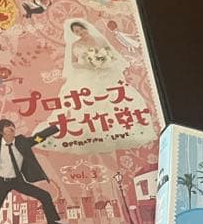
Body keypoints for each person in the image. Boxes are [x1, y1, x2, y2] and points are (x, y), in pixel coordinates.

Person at [34, 19, 156, 153]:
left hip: (105, 73)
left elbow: (111, 55)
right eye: (76, 32)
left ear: (86, 27)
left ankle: (116, 130)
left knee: (114, 98)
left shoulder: (99, 39)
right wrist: (87, 64)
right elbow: (73, 63)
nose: (80, 33)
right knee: (83, 102)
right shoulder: (75, 45)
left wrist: (103, 61)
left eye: (81, 29)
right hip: (86, 75)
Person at [0, 119, 71, 224]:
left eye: (12, 125)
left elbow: (37, 138)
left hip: (17, 181)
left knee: (44, 195)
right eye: (7, 126)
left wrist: (55, 127)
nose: (11, 127)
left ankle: (52, 223)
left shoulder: (22, 142)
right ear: (0, 131)